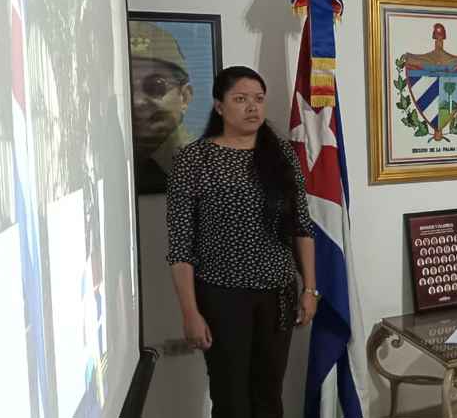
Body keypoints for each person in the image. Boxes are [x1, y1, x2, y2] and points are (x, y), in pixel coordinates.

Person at [166, 66, 317, 417]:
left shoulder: (281, 154)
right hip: (221, 296)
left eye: (259, 99)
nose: (252, 107)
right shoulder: (194, 159)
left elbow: (302, 226)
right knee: (231, 398)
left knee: (269, 396)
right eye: (240, 99)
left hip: (277, 294)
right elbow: (180, 246)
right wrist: (190, 312)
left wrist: (310, 288)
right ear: (219, 107)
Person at [130, 21, 194, 193]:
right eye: (126, 87)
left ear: (184, 97)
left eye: (155, 85)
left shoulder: (205, 170)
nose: (137, 101)